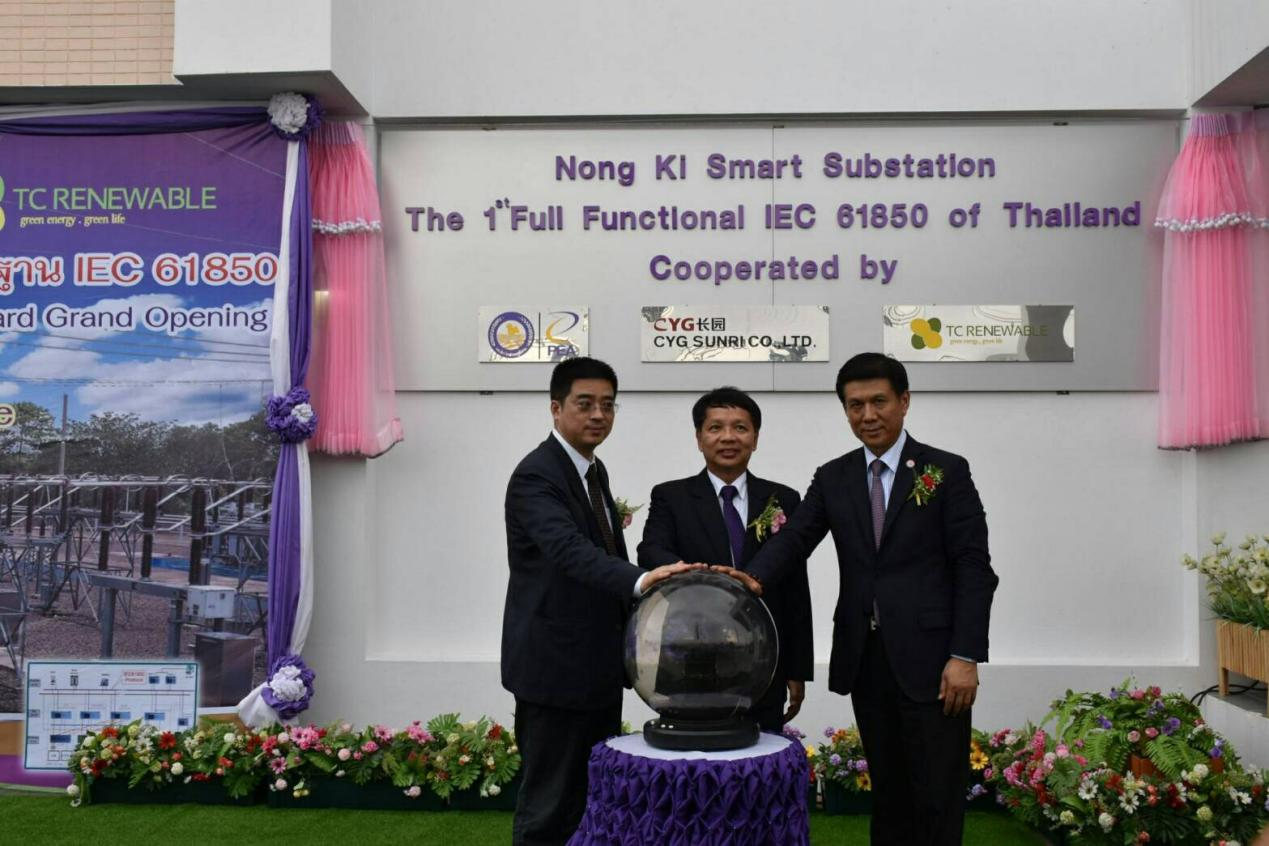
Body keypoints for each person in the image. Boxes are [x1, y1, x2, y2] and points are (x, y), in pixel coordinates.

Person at [719, 352, 998, 846]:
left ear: (904, 401)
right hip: (866, 660)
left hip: (936, 664)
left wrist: (965, 655)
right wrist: (752, 578)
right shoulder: (834, 476)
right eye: (855, 405)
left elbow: (974, 568)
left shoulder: (945, 471)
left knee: (937, 792)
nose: (868, 415)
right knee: (887, 793)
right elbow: (796, 538)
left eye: (878, 402)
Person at [501, 356, 697, 846]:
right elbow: (569, 550)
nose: (598, 415)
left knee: (590, 803)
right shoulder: (536, 475)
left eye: (608, 405)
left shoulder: (593, 470)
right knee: (549, 808)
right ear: (556, 408)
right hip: (554, 671)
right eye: (584, 404)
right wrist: (642, 579)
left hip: (597, 669)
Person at [637, 386, 813, 731]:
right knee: (690, 757)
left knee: (761, 754)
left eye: (740, 428)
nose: (728, 437)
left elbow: (795, 587)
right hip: (686, 659)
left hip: (763, 659)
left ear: (755, 438)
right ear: (699, 438)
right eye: (715, 428)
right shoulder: (671, 496)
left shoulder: (783, 498)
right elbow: (650, 550)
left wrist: (797, 668)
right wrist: (695, 575)